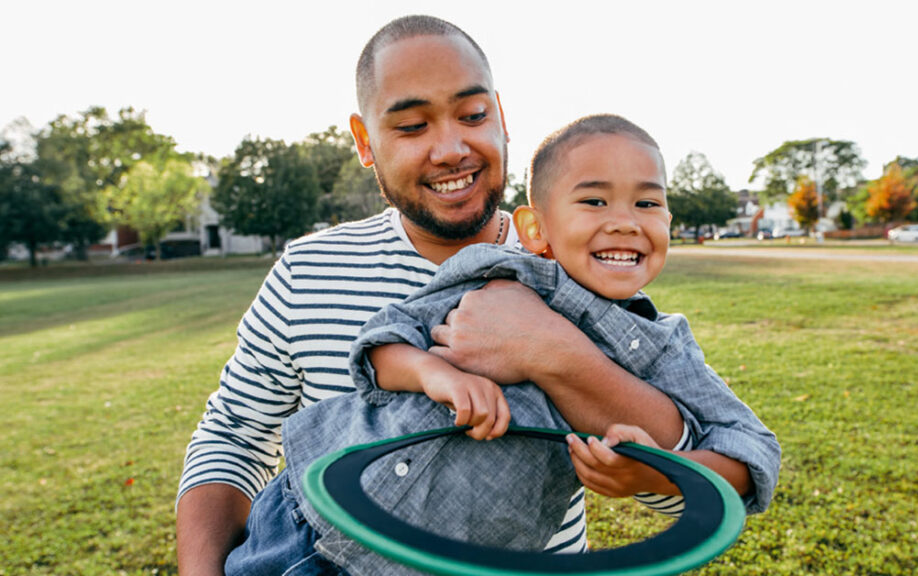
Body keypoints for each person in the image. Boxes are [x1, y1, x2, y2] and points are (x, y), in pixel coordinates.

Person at [176, 15, 687, 576]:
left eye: (473, 115)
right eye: (413, 126)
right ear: (365, 142)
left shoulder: (583, 268)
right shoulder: (308, 271)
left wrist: (553, 351)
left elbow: (681, 480)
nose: (450, 149)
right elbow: (233, 438)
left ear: (502, 116)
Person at [246, 114, 780, 574]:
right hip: (300, 516)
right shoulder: (494, 273)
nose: (624, 221)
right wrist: (438, 375)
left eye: (647, 203)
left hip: (445, 564)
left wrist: (655, 472)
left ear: (667, 220)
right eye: (594, 200)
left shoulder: (660, 349)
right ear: (534, 227)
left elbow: (751, 454)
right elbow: (385, 343)